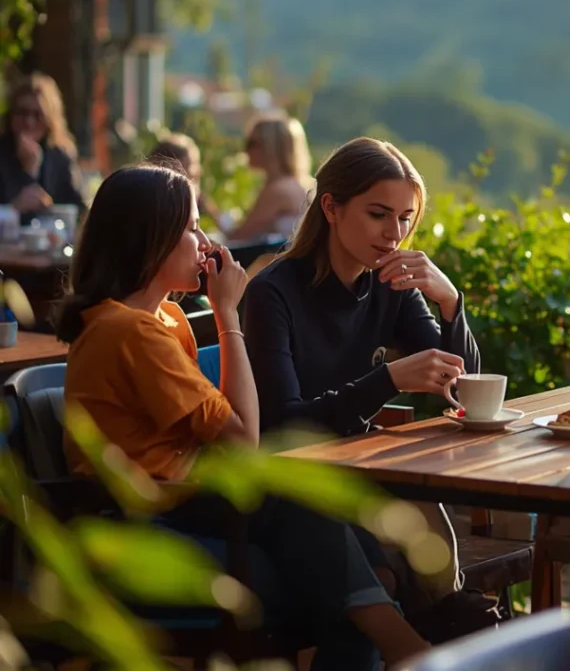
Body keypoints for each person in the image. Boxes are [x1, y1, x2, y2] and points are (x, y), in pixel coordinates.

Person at [58, 163, 429, 670]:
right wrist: (227, 315)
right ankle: (403, 642)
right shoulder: (127, 332)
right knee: (307, 512)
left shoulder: (162, 319)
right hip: (152, 511)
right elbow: (243, 438)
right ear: (151, 240)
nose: (205, 240)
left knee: (342, 560)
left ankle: (391, 627)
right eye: (191, 228)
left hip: (198, 498)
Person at [243, 137, 482, 634]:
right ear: (330, 206)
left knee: (413, 570)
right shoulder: (273, 293)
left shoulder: (390, 286)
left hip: (358, 479)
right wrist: (388, 380)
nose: (393, 233)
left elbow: (467, 386)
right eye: (378, 214)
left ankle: (446, 624)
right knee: (387, 584)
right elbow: (284, 425)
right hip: (287, 492)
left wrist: (450, 301)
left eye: (404, 218)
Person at [0, 73, 84, 219]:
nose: (29, 122)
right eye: (22, 113)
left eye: (37, 115)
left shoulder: (59, 156)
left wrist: (50, 208)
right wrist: (13, 209)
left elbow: (78, 209)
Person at [222, 113, 313, 242]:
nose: (245, 150)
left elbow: (238, 238)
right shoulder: (296, 184)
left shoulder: (278, 190)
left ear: (270, 147)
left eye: (251, 143)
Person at [147, 132, 223, 227]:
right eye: (193, 164)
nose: (199, 171)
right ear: (172, 168)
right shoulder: (167, 219)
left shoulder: (202, 206)